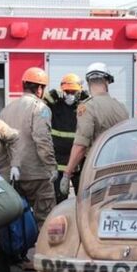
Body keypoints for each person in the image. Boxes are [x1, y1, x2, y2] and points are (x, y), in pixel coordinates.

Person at [59, 62, 129, 197]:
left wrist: (67, 173)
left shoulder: (87, 107)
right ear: (107, 82)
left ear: (88, 82)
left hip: (98, 173)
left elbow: (81, 146)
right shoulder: (121, 108)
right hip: (120, 172)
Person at [0, 67, 57, 229]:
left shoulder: (7, 110)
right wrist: (51, 167)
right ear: (39, 88)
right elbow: (42, 140)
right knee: (45, 219)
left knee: (16, 219)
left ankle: (16, 253)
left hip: (13, 175)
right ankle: (44, 252)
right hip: (37, 174)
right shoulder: (40, 108)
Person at [46, 73, 89, 203]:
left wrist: (85, 98)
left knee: (82, 201)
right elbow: (41, 102)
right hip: (59, 164)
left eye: (73, 92)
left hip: (79, 163)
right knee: (59, 201)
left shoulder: (84, 105)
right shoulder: (55, 104)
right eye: (67, 91)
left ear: (79, 91)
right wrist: (52, 94)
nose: (70, 95)